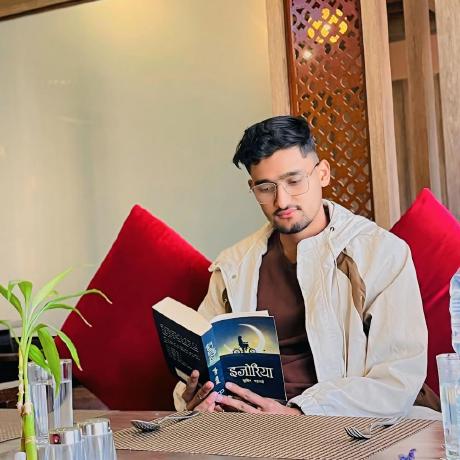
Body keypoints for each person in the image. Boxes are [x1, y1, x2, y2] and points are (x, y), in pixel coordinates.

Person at [173, 115, 431, 417]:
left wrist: (299, 413)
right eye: (265, 188)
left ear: (323, 174)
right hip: (250, 426)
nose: (282, 201)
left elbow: (397, 379)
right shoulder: (233, 266)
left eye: (294, 181)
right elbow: (199, 362)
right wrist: (193, 397)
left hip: (342, 422)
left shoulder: (380, 254)